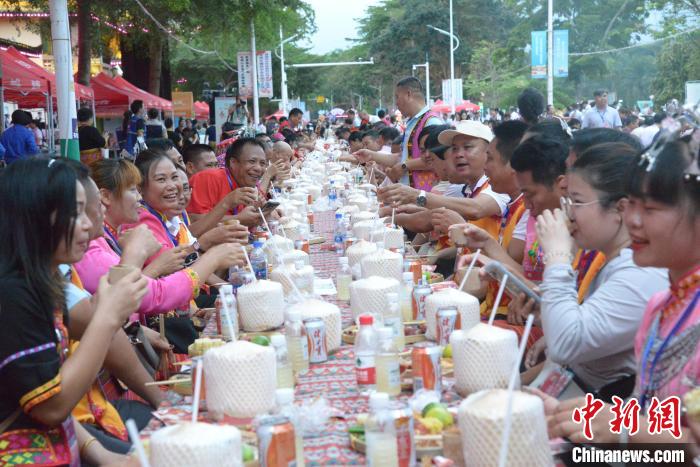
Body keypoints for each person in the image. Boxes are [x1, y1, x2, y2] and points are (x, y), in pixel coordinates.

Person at [547, 131, 699, 447]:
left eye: (650, 209)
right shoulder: (661, 304)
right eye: (631, 205)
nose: (632, 220)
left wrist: (624, 428)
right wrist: (576, 416)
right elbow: (647, 409)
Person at [0, 158, 148, 465]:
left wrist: (103, 455)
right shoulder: (14, 294)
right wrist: (107, 317)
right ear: (34, 216)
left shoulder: (41, 285)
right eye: (74, 212)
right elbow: (51, 405)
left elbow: (42, 395)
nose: (87, 224)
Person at [525, 143, 668, 399]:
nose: (569, 214)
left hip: (606, 415)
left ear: (620, 209)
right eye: (567, 201)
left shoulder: (642, 272)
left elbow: (564, 345)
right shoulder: (615, 261)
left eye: (577, 202)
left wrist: (557, 256)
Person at [187, 138, 266, 227]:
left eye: (262, 163)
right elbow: (192, 221)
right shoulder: (208, 177)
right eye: (252, 161)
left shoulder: (246, 184)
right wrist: (238, 219)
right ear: (233, 162)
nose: (258, 168)